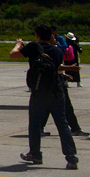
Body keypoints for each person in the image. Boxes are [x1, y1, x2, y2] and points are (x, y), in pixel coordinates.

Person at [12, 25, 79, 169]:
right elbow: (56, 67)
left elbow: (13, 55)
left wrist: (18, 45)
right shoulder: (57, 50)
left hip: (39, 92)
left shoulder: (34, 47)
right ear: (51, 36)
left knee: (35, 124)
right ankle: (71, 157)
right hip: (56, 91)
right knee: (62, 124)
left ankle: (35, 154)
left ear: (37, 35)